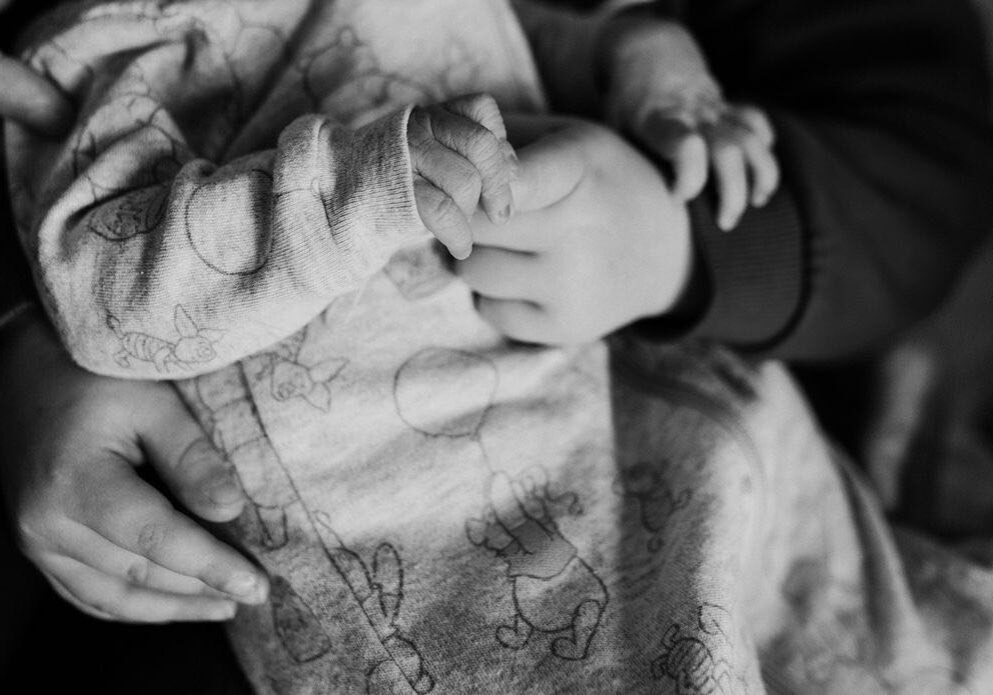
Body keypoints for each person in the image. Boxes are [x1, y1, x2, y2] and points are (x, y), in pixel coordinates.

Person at [2, 0, 993, 693]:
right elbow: (108, 286)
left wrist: (648, 71)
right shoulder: (97, 44)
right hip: (419, 485)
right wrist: (372, 178)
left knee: (826, 596)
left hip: (646, 385)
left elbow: (530, 39)